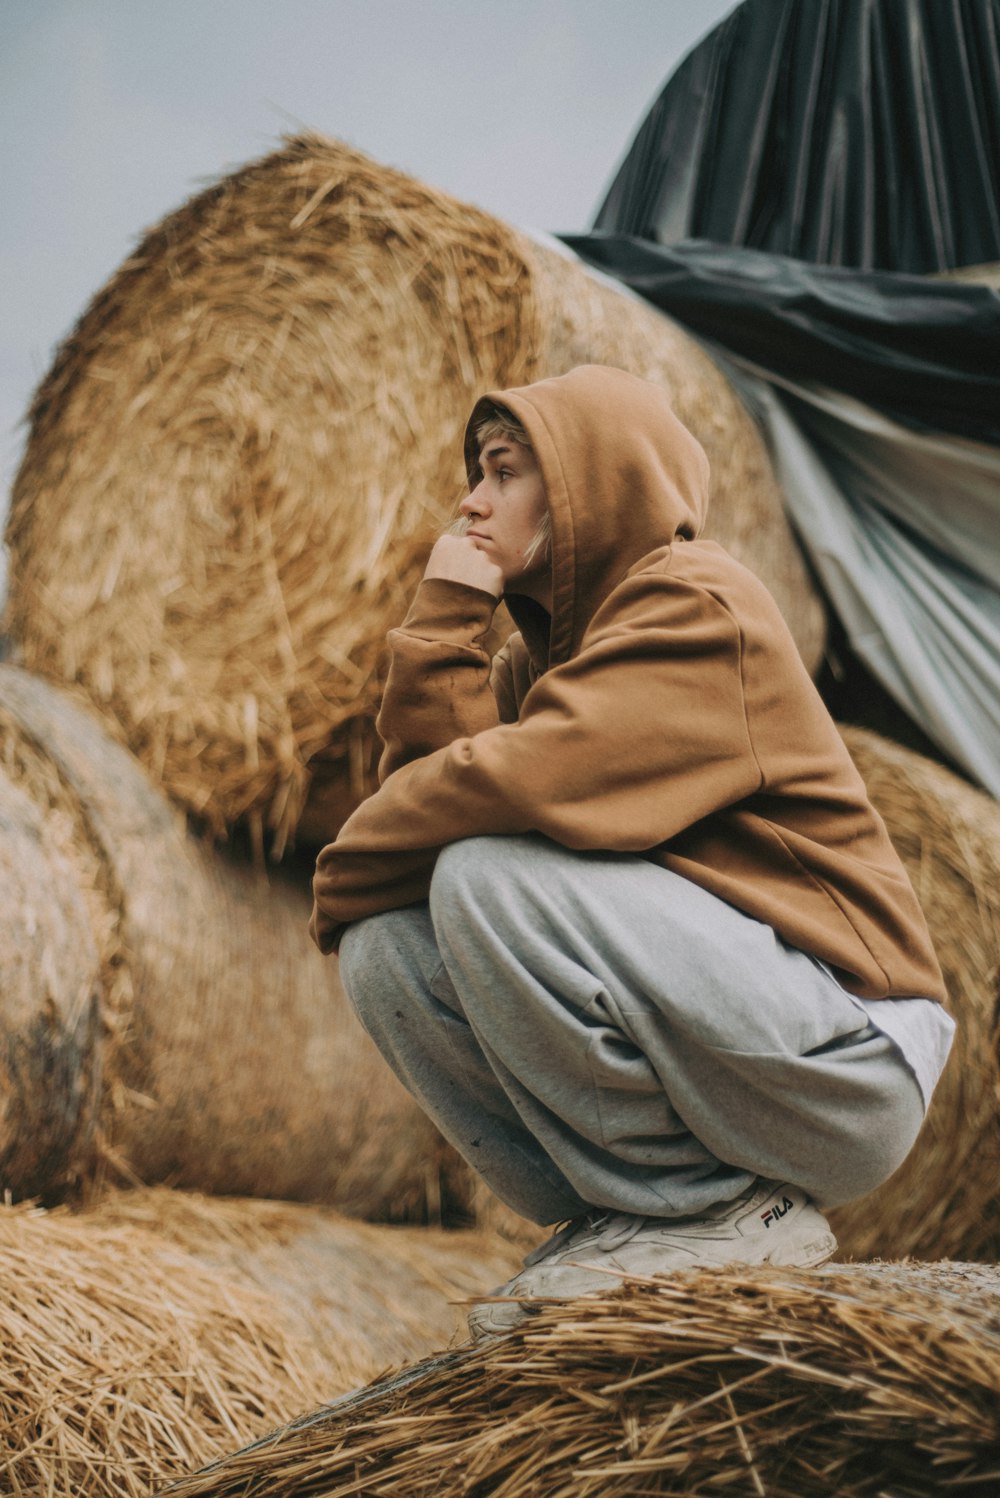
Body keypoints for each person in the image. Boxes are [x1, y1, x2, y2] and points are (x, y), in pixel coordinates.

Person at [309, 364, 953, 1339]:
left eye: (502, 471)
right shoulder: (543, 658)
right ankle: (629, 1211)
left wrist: (345, 863)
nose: (470, 500)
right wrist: (445, 616)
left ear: (586, 480)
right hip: (736, 1038)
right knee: (386, 948)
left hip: (845, 1053)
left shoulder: (699, 601)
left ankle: (722, 1213)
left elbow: (514, 784)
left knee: (484, 876)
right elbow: (426, 795)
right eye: (474, 475)